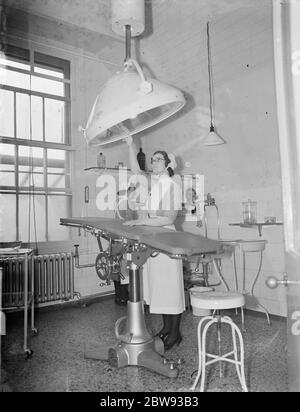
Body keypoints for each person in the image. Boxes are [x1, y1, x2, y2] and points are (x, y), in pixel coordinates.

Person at [123, 136, 185, 351]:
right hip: (152, 239)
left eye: (159, 159)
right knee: (159, 288)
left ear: (168, 163)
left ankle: (175, 333)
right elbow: (136, 171)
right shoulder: (153, 183)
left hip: (167, 239)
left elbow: (168, 218)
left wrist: (141, 220)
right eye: (152, 159)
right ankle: (166, 330)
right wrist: (131, 145)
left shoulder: (173, 184)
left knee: (171, 288)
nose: (154, 161)